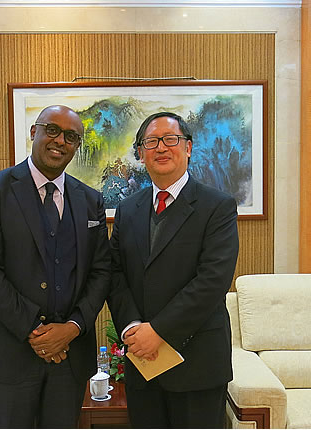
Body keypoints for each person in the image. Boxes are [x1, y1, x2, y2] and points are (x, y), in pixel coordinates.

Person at [0, 105, 111, 428]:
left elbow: (101, 272)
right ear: (33, 132)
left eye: (71, 136)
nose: (60, 141)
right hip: (6, 353)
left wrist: (72, 327)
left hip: (69, 357)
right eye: (52, 130)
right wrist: (35, 331)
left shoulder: (90, 200)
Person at [107, 112, 239, 428]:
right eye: (151, 142)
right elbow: (114, 273)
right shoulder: (128, 208)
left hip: (197, 363)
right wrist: (132, 328)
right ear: (141, 153)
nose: (161, 148)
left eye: (171, 139)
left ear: (188, 147)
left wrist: (159, 331)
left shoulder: (217, 206)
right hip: (143, 363)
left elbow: (212, 281)